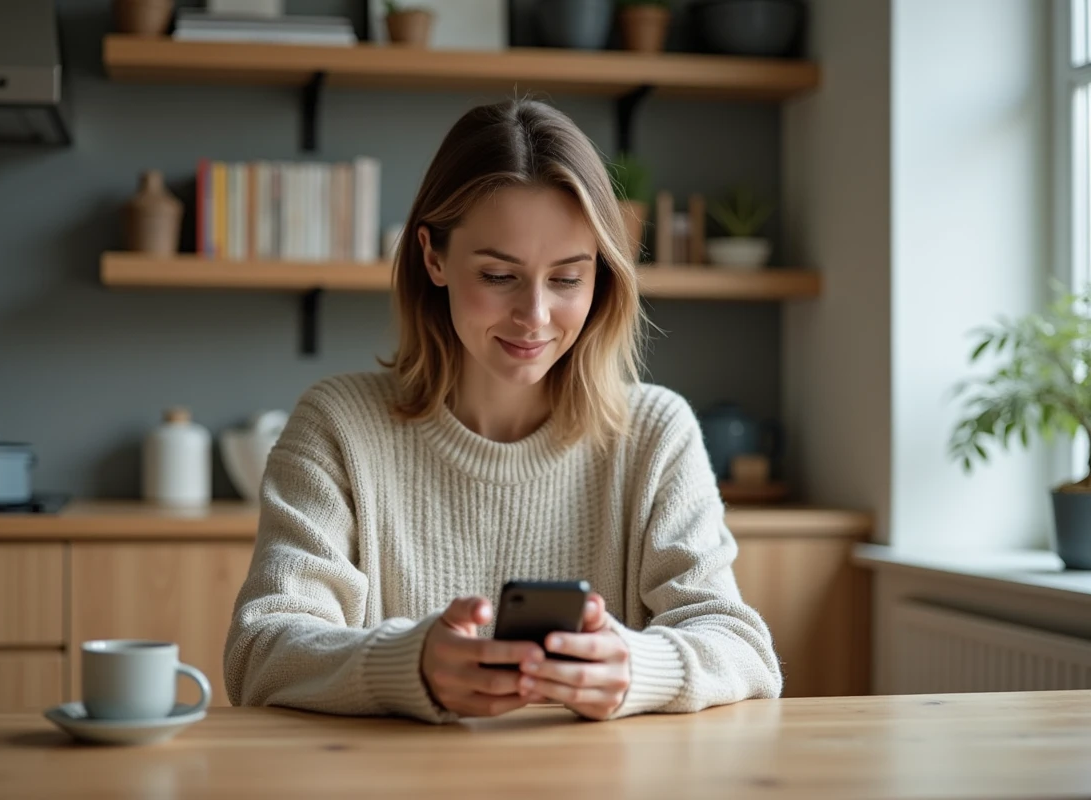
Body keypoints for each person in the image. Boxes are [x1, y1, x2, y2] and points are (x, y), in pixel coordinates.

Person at [223, 98, 782, 723]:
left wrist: (637, 668)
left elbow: (743, 650)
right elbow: (260, 651)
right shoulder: (336, 426)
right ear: (433, 256)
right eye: (498, 276)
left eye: (567, 279)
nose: (535, 316)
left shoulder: (655, 431)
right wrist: (409, 666)